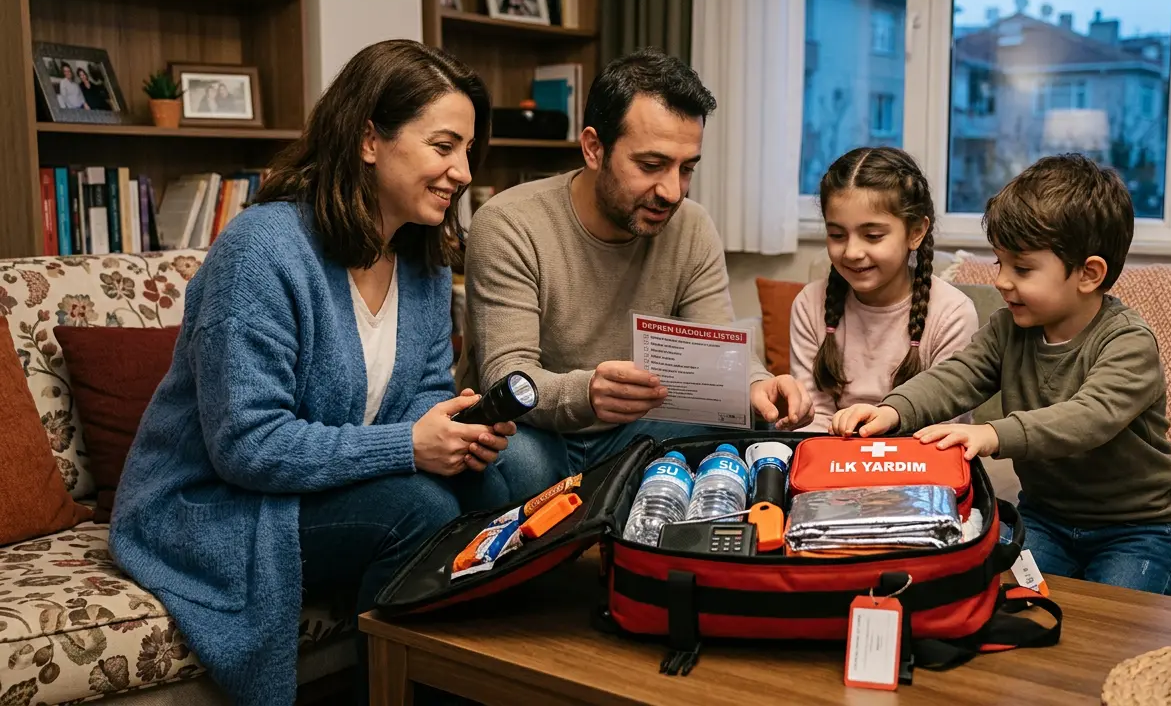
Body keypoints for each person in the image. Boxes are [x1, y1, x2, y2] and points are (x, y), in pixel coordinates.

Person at [109, 40, 512, 706]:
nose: (463, 171)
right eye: (444, 146)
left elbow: (425, 391)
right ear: (368, 139)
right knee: (417, 508)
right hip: (213, 504)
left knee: (497, 481)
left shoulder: (424, 259)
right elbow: (246, 445)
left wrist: (458, 428)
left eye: (469, 151)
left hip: (322, 482)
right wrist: (410, 445)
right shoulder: (262, 251)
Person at [832, 154, 1171, 596]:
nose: (1002, 281)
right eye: (1000, 263)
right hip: (1046, 517)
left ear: (1089, 274)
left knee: (1110, 619)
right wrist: (893, 411)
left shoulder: (1128, 342)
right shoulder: (1008, 328)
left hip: (1139, 528)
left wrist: (992, 434)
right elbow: (957, 376)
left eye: (1021, 268)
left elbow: (1089, 417)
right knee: (991, 593)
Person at [462, 48, 812, 501]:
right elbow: (505, 376)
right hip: (536, 434)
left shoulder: (692, 226)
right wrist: (586, 392)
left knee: (754, 423)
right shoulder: (509, 223)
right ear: (593, 148)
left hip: (634, 430)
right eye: (651, 166)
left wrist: (758, 384)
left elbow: (717, 350)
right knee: (497, 460)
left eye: (687, 169)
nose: (671, 191)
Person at [791, 147, 979, 433]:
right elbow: (812, 420)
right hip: (834, 462)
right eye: (837, 235)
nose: (852, 252)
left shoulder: (952, 313)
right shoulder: (809, 304)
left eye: (873, 236)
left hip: (921, 465)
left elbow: (942, 428)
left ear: (915, 232)